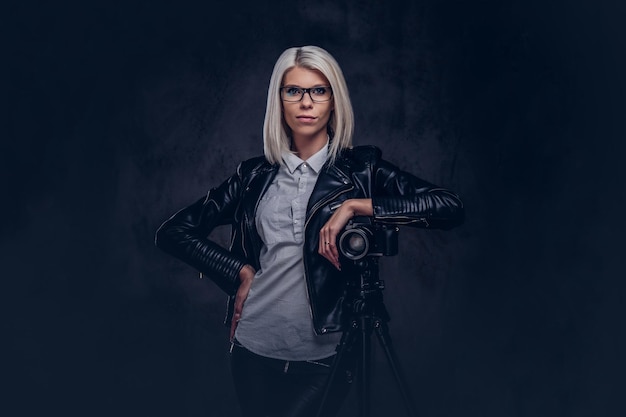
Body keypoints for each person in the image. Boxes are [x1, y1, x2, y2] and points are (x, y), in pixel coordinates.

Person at [155, 45, 464, 417]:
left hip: (325, 357)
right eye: (293, 91)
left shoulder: (361, 170)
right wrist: (239, 272)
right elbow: (174, 231)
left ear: (334, 100)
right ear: (279, 101)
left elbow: (448, 207)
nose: (306, 102)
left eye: (319, 90)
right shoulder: (253, 176)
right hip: (253, 349)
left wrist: (357, 205)